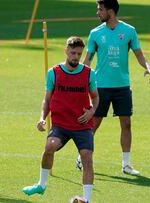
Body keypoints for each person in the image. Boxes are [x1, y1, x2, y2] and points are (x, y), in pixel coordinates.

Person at [76, 0, 150, 176]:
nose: (98, 12)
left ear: (110, 11)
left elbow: (139, 54)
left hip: (122, 86)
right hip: (100, 87)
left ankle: (126, 165)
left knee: (126, 124)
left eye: (100, 9)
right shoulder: (95, 33)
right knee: (94, 124)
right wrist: (80, 80)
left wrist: (148, 68)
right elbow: (87, 60)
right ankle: (82, 157)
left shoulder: (129, 31)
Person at [23, 36, 99, 203]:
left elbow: (95, 97)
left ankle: (86, 200)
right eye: (73, 53)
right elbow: (47, 99)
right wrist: (42, 118)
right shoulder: (54, 72)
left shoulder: (88, 74)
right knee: (49, 147)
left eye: (79, 54)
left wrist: (92, 111)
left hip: (82, 125)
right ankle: (41, 185)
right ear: (66, 51)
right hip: (61, 125)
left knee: (87, 157)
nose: (76, 57)